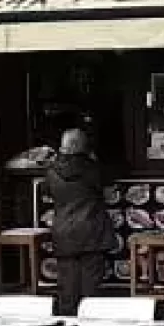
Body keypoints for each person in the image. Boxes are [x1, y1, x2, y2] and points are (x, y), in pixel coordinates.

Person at [43, 128, 115, 316]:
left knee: (67, 279)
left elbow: (47, 192)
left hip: (63, 229)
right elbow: (107, 185)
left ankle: (68, 316)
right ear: (81, 146)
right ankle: (89, 317)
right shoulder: (92, 168)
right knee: (91, 279)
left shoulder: (51, 170)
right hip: (91, 228)